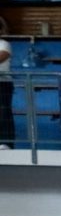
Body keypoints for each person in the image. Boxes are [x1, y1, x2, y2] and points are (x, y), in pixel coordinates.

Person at [0, 17, 13, 149]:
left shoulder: (4, 44)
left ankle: (5, 142)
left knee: (3, 113)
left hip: (2, 83)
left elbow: (2, 56)